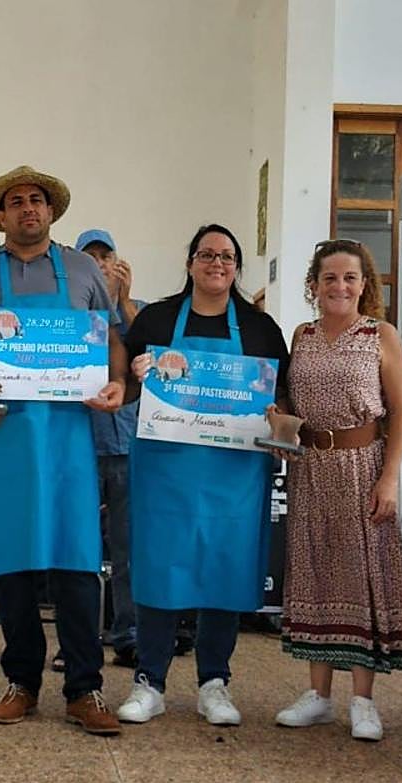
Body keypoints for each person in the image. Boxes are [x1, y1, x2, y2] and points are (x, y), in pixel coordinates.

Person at [0, 165, 127, 736]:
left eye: (36, 200)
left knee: (76, 562)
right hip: (0, 436)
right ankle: (21, 681)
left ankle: (84, 689)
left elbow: (112, 337)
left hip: (68, 437)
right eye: (15, 202)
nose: (27, 209)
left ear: (51, 210)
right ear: (1, 215)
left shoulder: (86, 269)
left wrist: (116, 381)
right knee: (11, 562)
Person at [115, 224, 289, 727]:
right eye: (207, 254)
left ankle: (215, 682)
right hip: (165, 469)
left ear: (237, 267)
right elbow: (125, 388)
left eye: (228, 257)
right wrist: (133, 379)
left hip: (234, 472)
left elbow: (284, 396)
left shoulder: (260, 328)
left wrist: (281, 418)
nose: (218, 263)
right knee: (159, 567)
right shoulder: (156, 318)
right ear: (190, 262)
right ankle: (150, 681)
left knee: (225, 569)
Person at [274, 239, 402, 742]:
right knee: (314, 572)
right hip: (311, 469)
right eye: (329, 277)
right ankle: (317, 696)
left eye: (349, 278)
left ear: (364, 285)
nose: (339, 286)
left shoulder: (380, 335)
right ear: (314, 284)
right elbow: (290, 392)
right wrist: (280, 418)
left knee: (361, 575)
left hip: (362, 466)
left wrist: (390, 476)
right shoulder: (302, 335)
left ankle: (363, 701)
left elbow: (400, 411)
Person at [76, 229, 141, 669]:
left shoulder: (136, 310)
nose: (100, 264)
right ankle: (76, 640)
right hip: (82, 443)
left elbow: (146, 353)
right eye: (91, 257)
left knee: (128, 549)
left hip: (130, 445)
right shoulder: (73, 311)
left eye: (106, 256)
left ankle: (128, 634)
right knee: (78, 551)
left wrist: (123, 302)